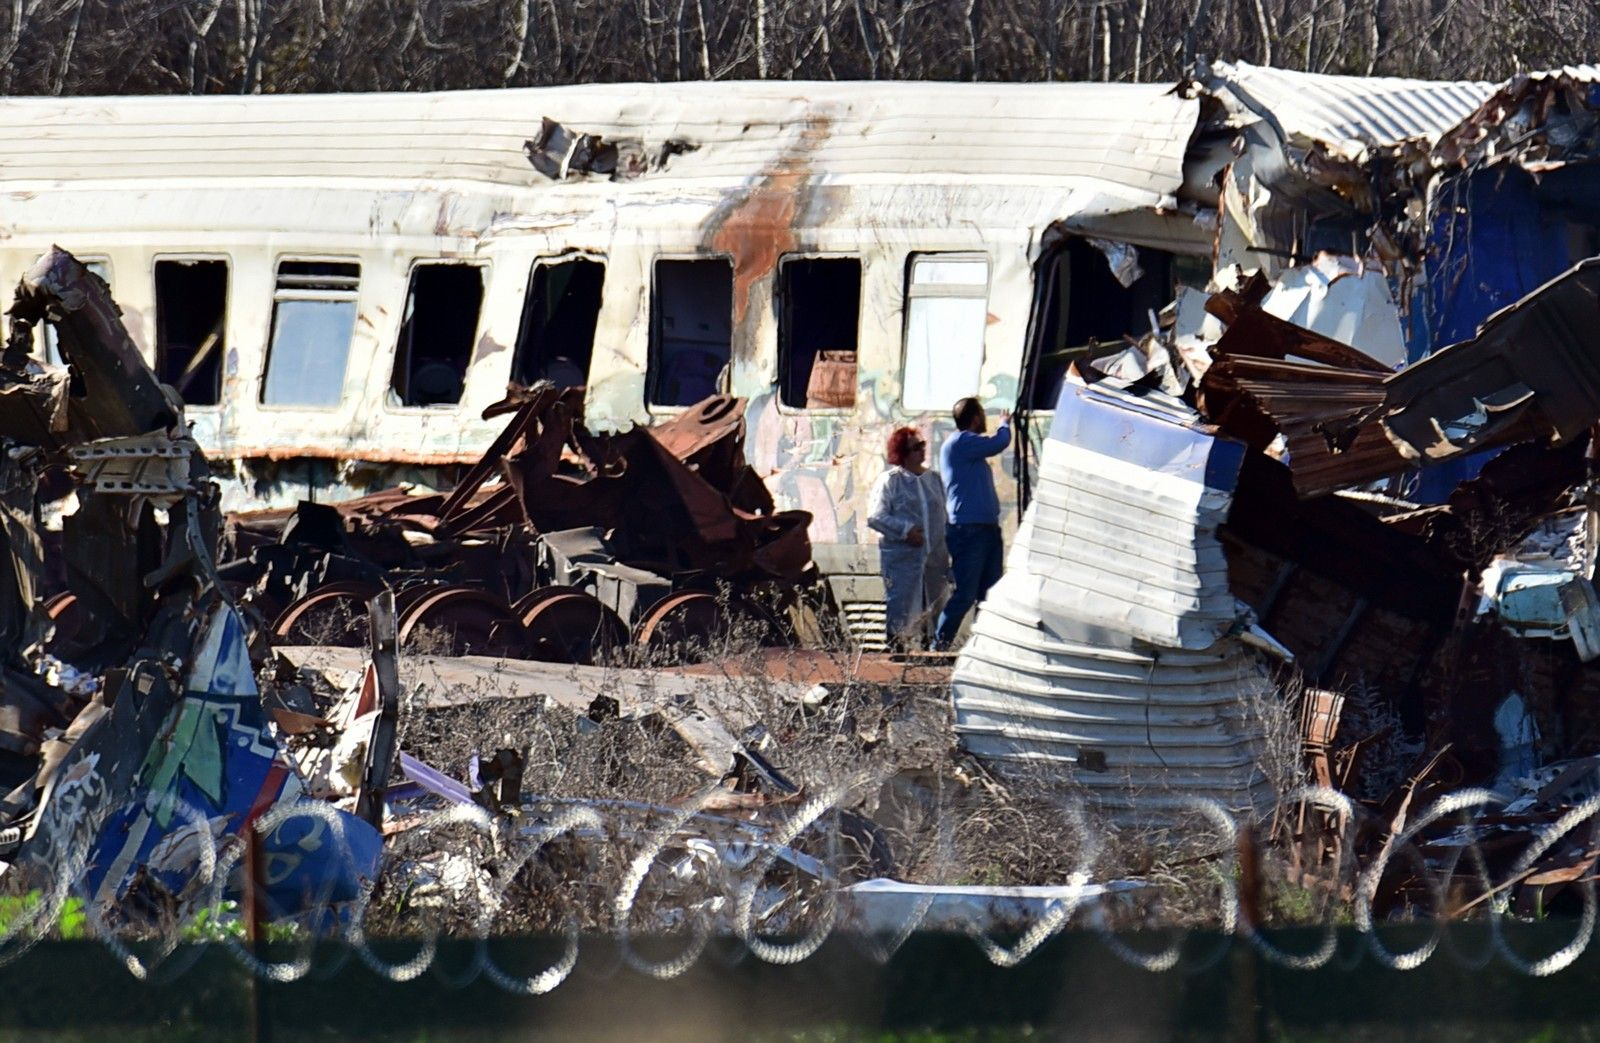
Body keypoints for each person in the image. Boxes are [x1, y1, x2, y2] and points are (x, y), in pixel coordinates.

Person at [935, 397, 1011, 650]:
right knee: (966, 593)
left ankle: (982, 647)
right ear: (976, 418)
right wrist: (1005, 424)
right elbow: (999, 442)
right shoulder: (961, 442)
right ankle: (940, 645)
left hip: (985, 528)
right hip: (969, 531)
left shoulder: (967, 450)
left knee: (988, 595)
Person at [866, 427, 949, 649]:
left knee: (934, 605)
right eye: (915, 448)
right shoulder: (891, 481)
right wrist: (905, 531)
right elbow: (876, 516)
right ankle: (896, 651)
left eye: (922, 446)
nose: (921, 451)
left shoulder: (933, 480)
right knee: (901, 606)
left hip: (935, 558)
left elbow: (944, 515)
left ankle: (931, 651)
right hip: (903, 559)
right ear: (902, 452)